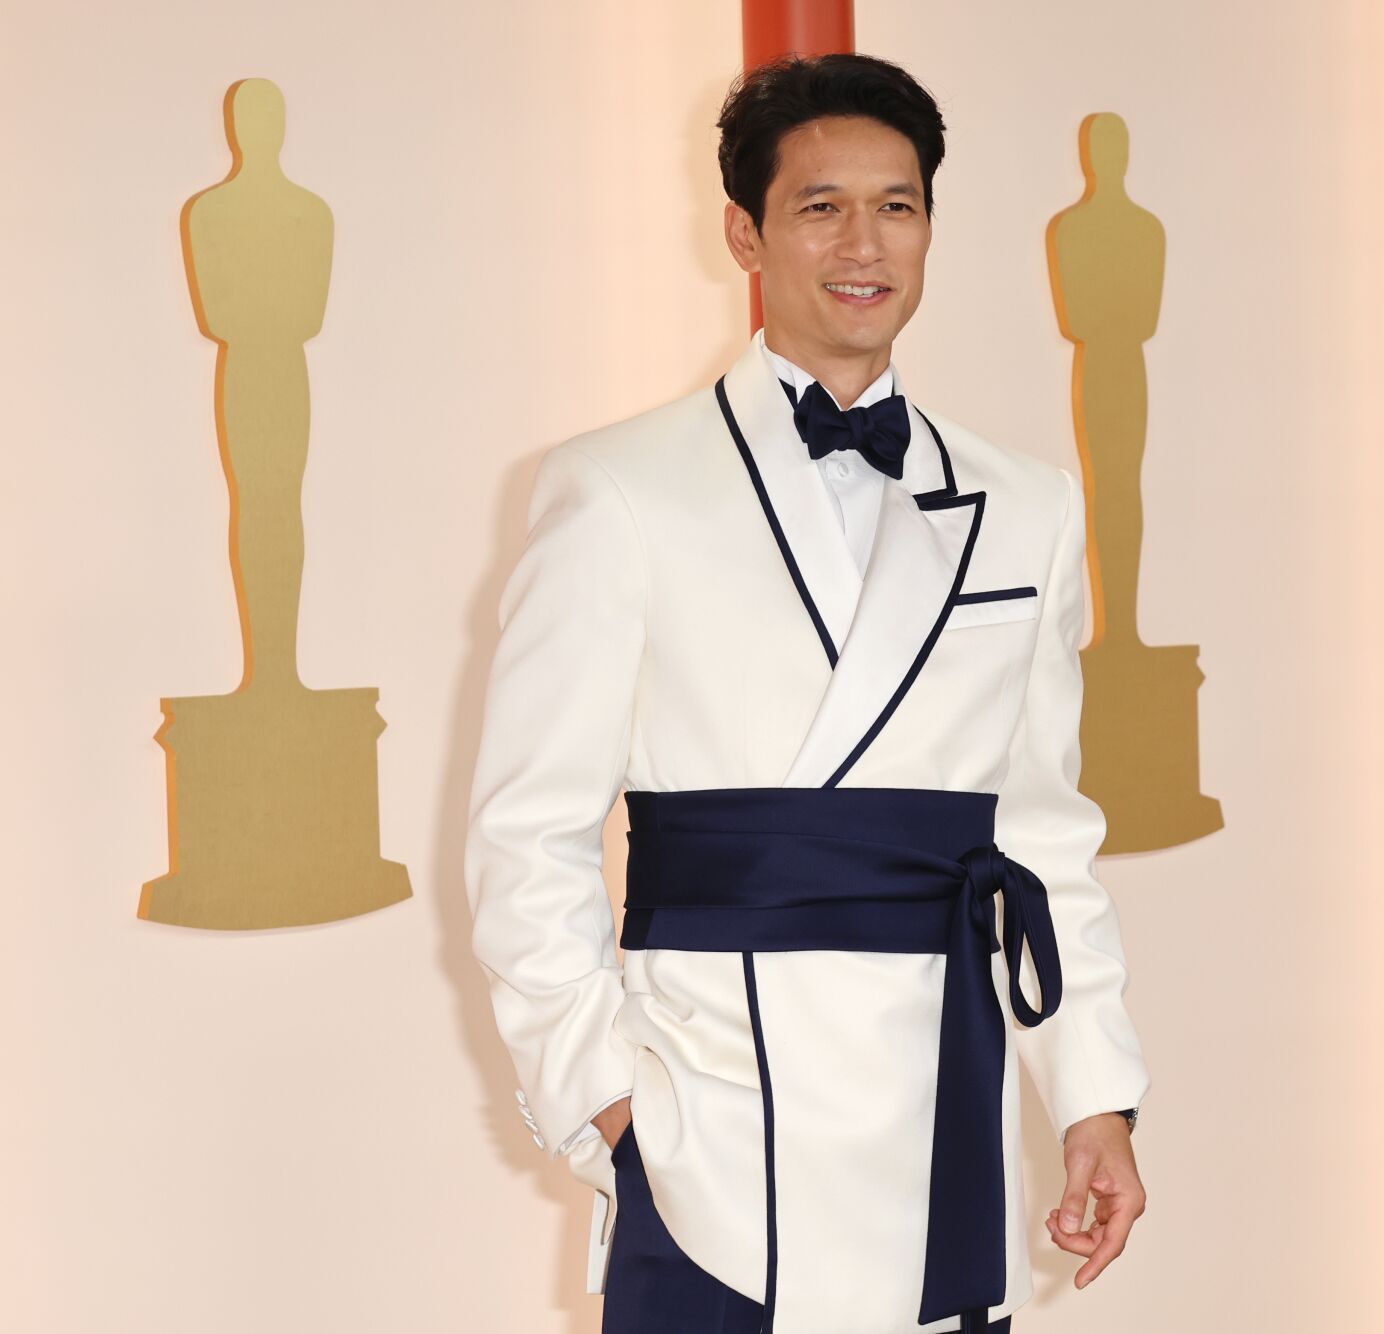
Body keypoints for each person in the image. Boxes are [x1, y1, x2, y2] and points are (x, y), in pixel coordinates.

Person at [464, 52, 1151, 1334]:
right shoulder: (616, 489)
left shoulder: (1031, 506)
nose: (863, 243)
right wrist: (610, 1105)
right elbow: (524, 831)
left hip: (935, 1081)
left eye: (896, 205)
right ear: (745, 230)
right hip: (708, 1103)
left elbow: (1042, 835)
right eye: (820, 205)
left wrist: (1091, 1097)